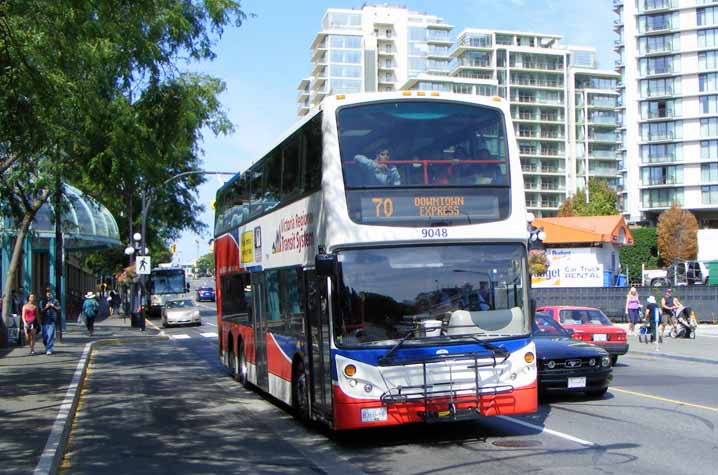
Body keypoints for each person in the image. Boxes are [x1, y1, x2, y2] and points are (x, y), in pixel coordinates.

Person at [40, 288, 60, 355]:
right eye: (47, 292)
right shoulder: (42, 301)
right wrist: (46, 307)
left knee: (50, 335)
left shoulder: (55, 301)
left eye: (49, 292)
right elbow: (41, 311)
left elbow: (59, 309)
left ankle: (49, 349)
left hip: (52, 320)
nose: (48, 293)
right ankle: (47, 346)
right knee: (45, 336)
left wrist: (53, 306)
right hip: (44, 320)